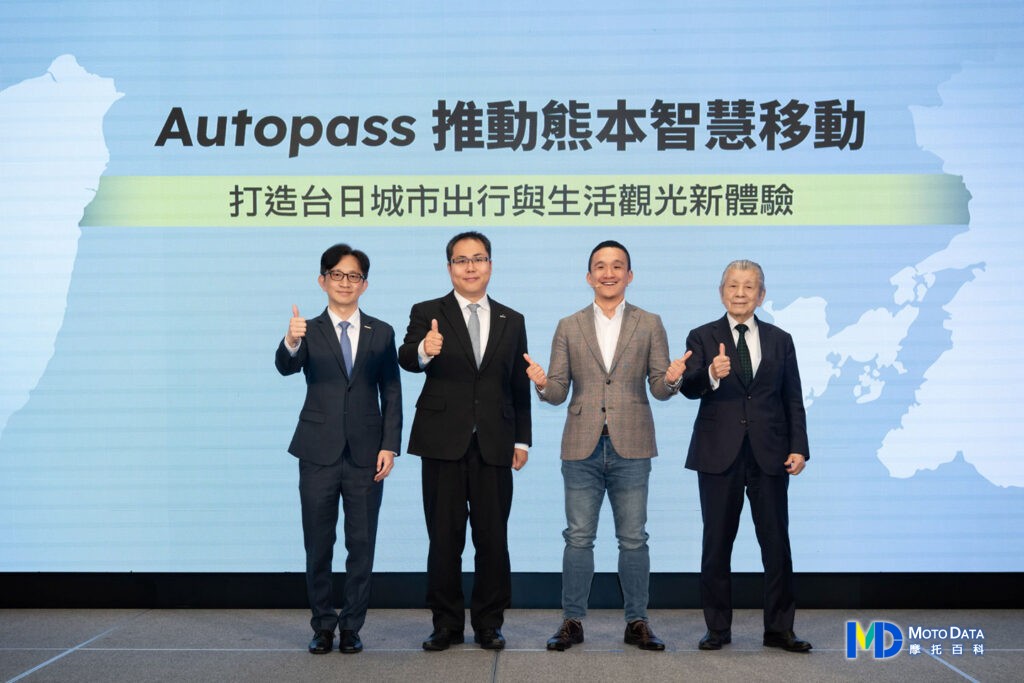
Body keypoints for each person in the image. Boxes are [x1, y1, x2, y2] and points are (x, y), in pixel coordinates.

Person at [524, 240, 690, 652]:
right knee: (578, 537)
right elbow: (558, 391)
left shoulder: (650, 323)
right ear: (589, 276)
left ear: (629, 275)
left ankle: (637, 622)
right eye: (600, 266)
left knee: (633, 538)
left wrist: (672, 379)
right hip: (580, 445)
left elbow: (659, 388)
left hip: (632, 444)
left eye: (617, 266)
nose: (609, 273)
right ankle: (572, 621)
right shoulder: (569, 325)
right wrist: (542, 384)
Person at [398, 231, 531, 651]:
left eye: (478, 258)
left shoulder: (512, 319)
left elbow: (518, 384)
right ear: (449, 267)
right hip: (442, 442)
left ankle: (490, 623)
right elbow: (406, 357)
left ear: (490, 264)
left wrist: (523, 440)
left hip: (495, 442)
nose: (470, 267)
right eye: (461, 260)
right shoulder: (427, 311)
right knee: (444, 538)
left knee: (492, 538)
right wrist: (425, 349)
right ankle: (446, 624)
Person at [275, 243, 402, 655]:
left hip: (367, 454)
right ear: (322, 280)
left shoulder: (382, 332)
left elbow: (392, 391)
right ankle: (322, 625)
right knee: (318, 543)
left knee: (361, 544)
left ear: (364, 284)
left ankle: (351, 627)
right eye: (337, 274)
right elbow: (286, 366)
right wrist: (290, 341)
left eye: (354, 276)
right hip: (317, 452)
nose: (345, 282)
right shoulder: (306, 329)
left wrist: (390, 445)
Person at [680, 259, 812, 653]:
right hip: (718, 454)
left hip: (770, 454)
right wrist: (712, 374)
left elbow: (792, 397)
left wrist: (799, 447)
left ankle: (780, 629)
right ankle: (717, 629)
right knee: (716, 544)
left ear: (761, 295)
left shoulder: (780, 339)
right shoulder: (702, 336)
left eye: (749, 286)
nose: (740, 293)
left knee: (776, 544)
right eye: (733, 286)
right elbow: (688, 387)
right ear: (721, 292)